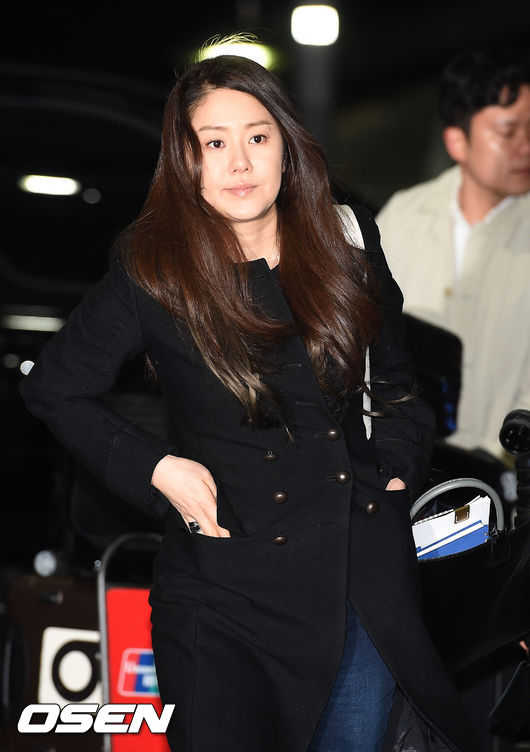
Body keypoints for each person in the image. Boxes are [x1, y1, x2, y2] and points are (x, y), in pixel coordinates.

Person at [19, 51, 480, 752]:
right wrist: (158, 469)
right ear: (187, 161)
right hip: (223, 590)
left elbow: (397, 384)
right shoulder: (156, 269)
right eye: (214, 143)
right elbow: (54, 386)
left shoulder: (346, 238)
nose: (239, 162)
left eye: (257, 137)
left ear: (285, 148)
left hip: (352, 582)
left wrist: (390, 473)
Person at [377, 49, 530, 463]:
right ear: (457, 141)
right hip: (410, 467)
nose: (525, 146)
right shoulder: (403, 216)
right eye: (508, 132)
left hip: (509, 474)